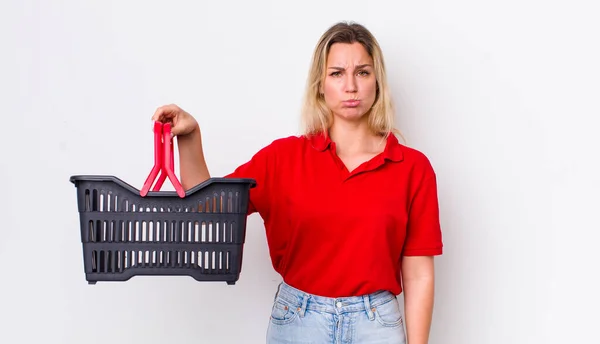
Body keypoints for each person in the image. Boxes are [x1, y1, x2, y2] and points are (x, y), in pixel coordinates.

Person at [152, 21, 443, 344]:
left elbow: (418, 274)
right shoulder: (282, 159)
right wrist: (191, 137)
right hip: (299, 322)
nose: (350, 86)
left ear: (377, 82)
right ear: (320, 84)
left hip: (376, 326)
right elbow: (208, 211)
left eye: (362, 72)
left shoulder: (413, 168)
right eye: (336, 73)